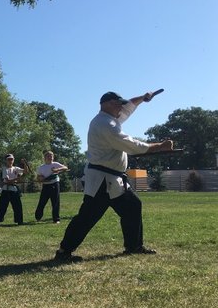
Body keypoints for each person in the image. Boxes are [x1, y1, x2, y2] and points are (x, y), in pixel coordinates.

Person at [54, 91, 174, 262]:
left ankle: (134, 246)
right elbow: (131, 145)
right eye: (119, 104)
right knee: (87, 217)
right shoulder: (105, 124)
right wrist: (159, 146)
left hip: (112, 179)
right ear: (107, 104)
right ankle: (64, 251)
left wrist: (143, 98)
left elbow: (129, 107)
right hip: (102, 181)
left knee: (132, 206)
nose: (122, 108)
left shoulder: (110, 119)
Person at [35, 150, 68, 224]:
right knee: (42, 202)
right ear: (45, 157)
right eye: (48, 156)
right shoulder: (41, 167)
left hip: (55, 185)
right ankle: (38, 217)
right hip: (46, 186)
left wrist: (58, 169)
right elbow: (38, 178)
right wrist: (40, 178)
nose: (50, 157)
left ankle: (56, 219)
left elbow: (65, 168)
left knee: (55, 202)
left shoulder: (55, 164)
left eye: (51, 156)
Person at [0, 154, 28, 225]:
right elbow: (8, 180)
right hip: (6, 190)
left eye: (11, 159)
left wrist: (24, 163)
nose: (10, 161)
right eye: (9, 159)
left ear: (13, 160)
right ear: (6, 160)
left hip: (14, 190)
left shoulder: (16, 168)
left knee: (18, 206)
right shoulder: (5, 169)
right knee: (2, 206)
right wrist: (17, 178)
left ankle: (19, 221)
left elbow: (25, 171)